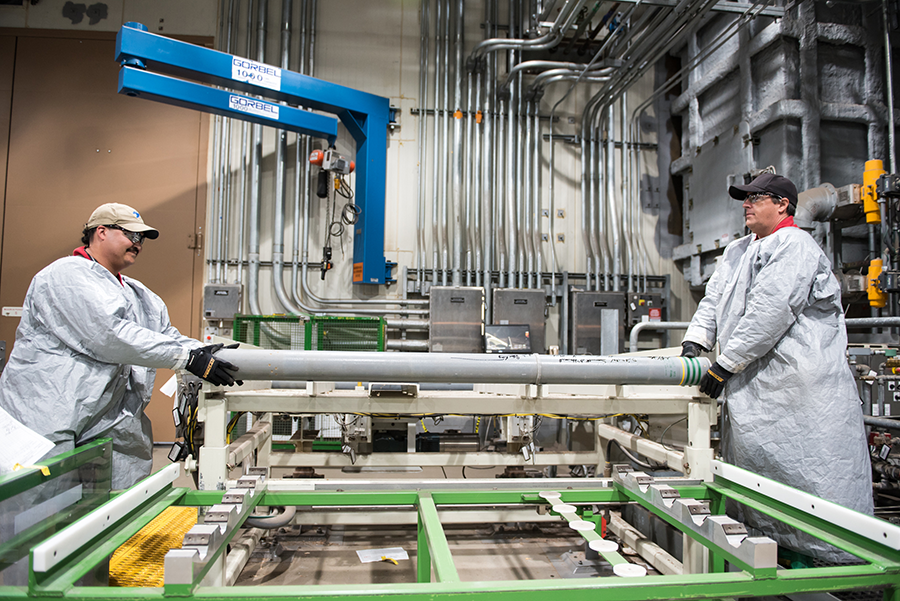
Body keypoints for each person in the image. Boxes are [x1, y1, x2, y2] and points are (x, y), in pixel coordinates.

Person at [681, 172, 873, 563]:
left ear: (782, 204)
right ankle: (773, 550)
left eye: (756, 198)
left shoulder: (795, 246)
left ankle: (830, 557)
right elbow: (713, 298)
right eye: (744, 199)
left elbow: (771, 311)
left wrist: (726, 364)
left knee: (808, 470)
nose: (746, 205)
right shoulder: (738, 250)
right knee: (762, 472)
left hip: (798, 386)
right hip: (756, 385)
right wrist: (696, 339)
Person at [0, 203, 241, 489]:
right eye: (131, 235)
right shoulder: (65, 276)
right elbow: (110, 335)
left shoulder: (140, 295)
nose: (138, 244)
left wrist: (212, 354)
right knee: (37, 502)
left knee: (113, 505)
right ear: (100, 232)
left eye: (141, 239)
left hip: (109, 417)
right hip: (49, 412)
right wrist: (187, 358)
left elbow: (166, 335)